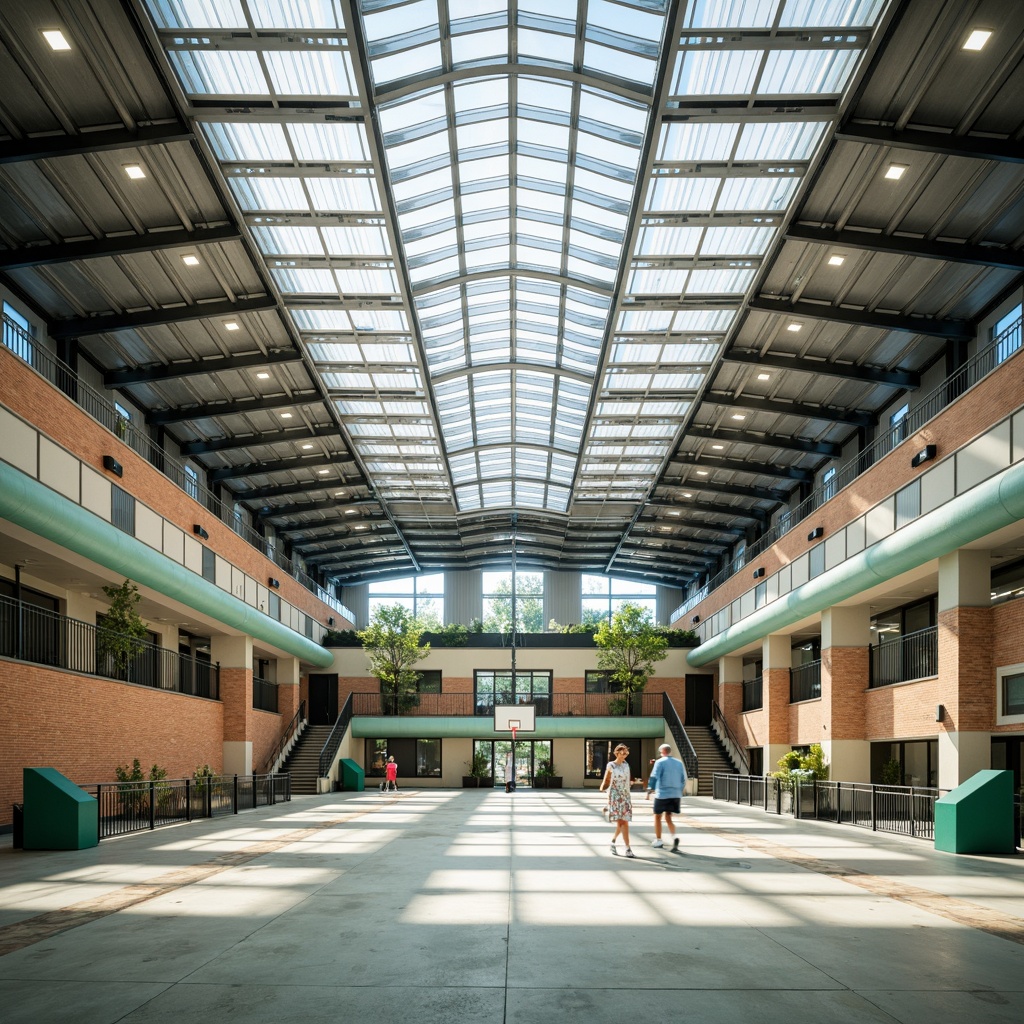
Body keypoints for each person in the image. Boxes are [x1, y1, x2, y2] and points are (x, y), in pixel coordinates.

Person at [646, 743, 686, 850]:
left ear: (662, 752)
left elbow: (654, 776)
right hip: (675, 795)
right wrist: (679, 791)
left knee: (657, 816)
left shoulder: (660, 762)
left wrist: (650, 789)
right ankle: (674, 836)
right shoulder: (679, 763)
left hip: (662, 794)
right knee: (669, 817)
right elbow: (683, 779)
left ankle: (659, 840)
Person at [599, 743, 634, 857]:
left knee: (624, 822)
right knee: (621, 822)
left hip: (625, 796)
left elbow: (627, 781)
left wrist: (628, 797)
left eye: (626, 753)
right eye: (622, 753)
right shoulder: (611, 765)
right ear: (617, 753)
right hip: (614, 795)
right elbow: (607, 781)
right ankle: (628, 848)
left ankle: (613, 842)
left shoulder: (626, 765)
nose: (624, 755)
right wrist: (608, 800)